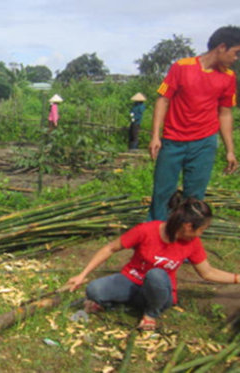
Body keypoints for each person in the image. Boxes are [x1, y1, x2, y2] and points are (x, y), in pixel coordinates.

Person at [66, 192, 240, 331]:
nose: (201, 234)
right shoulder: (146, 231)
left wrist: (237, 278)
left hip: (160, 293)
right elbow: (110, 248)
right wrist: (82, 275)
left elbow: (207, 272)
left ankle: (151, 313)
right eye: (201, 230)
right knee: (94, 289)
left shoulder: (192, 243)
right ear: (188, 226)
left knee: (156, 275)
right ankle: (121, 302)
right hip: (132, 282)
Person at [148, 26, 240, 221]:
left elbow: (225, 113)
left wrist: (230, 150)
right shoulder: (182, 67)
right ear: (222, 47)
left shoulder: (228, 77)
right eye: (236, 53)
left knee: (195, 197)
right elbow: (163, 100)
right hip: (173, 141)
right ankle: (156, 233)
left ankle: (185, 238)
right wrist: (155, 136)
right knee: (162, 192)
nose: (236, 58)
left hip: (204, 143)